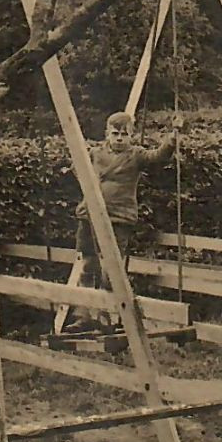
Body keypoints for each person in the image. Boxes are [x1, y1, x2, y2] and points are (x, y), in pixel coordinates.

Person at [68, 110, 177, 331]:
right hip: (90, 215)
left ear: (131, 136)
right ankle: (85, 314)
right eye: (115, 133)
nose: (119, 138)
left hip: (118, 218)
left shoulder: (136, 155)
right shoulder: (94, 154)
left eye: (124, 134)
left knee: (112, 268)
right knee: (88, 263)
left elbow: (158, 157)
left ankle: (107, 316)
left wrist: (172, 140)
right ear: (107, 133)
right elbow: (75, 166)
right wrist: (90, 188)